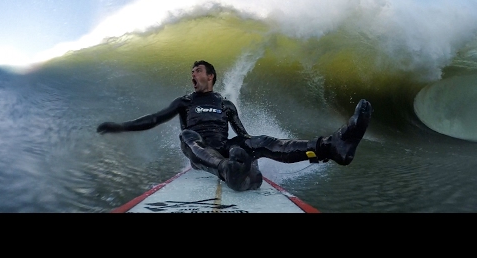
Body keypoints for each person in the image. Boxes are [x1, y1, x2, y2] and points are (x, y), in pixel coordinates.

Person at [97, 60, 372, 192]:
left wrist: (250, 147)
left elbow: (244, 135)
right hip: (201, 153)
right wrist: (121, 126)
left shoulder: (226, 105)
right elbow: (154, 119)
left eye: (197, 71)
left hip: (226, 149)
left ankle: (330, 147)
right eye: (191, 72)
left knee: (259, 141)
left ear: (210, 76)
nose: (192, 74)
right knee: (187, 134)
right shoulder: (184, 101)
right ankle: (231, 171)